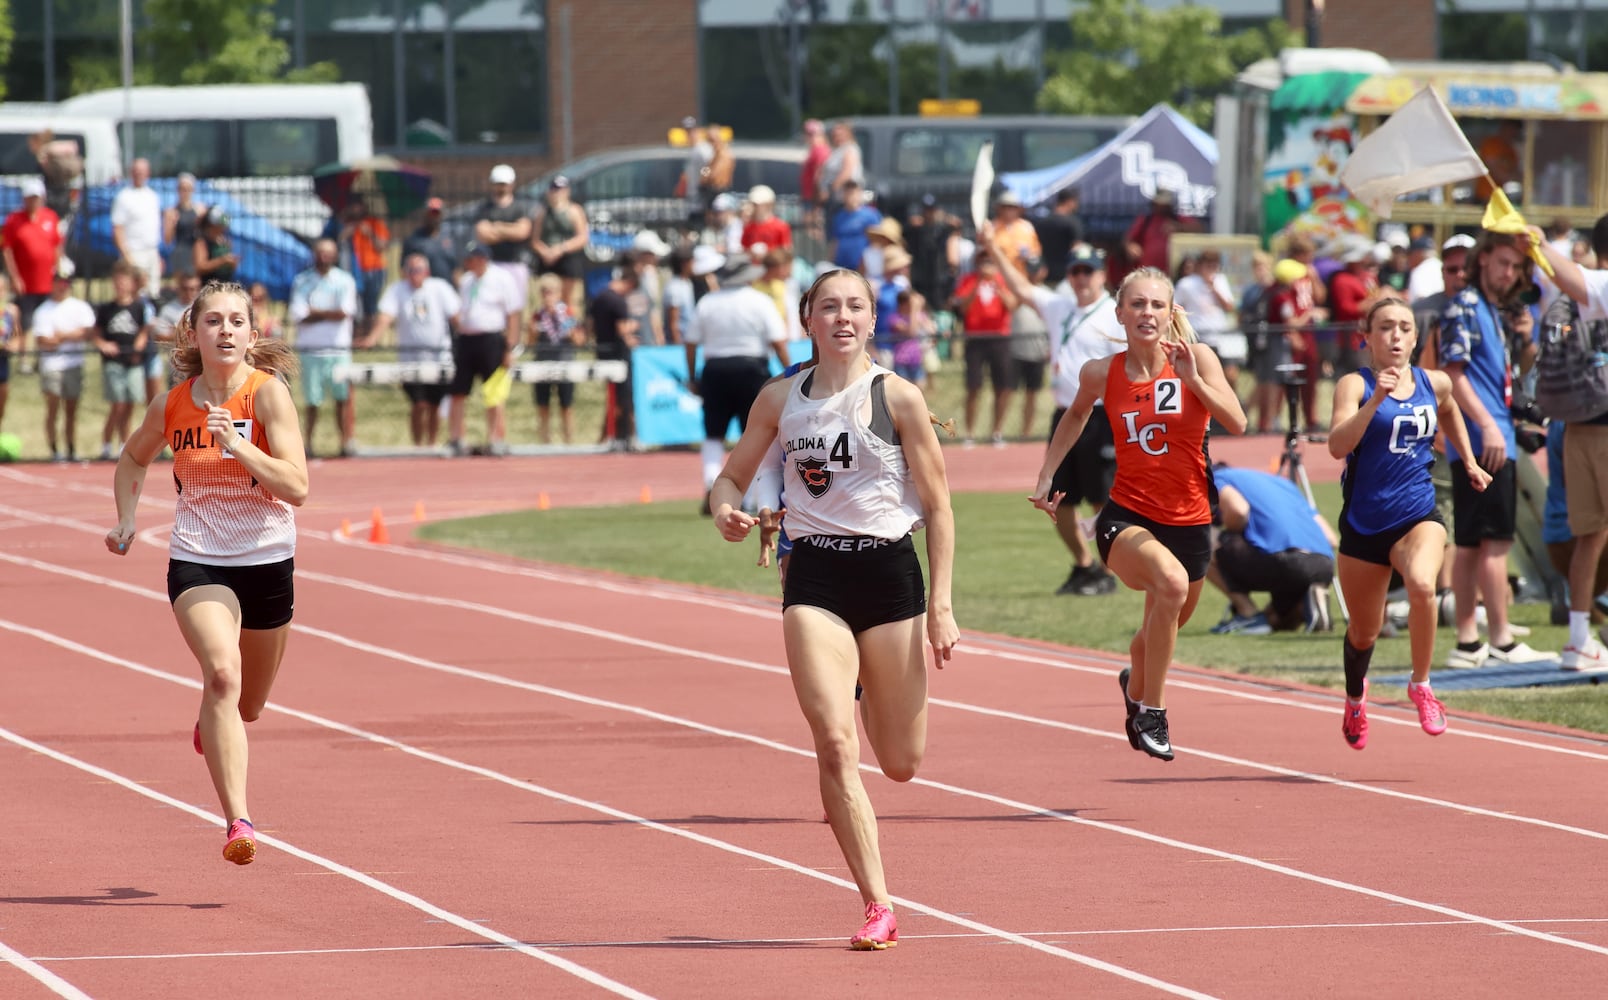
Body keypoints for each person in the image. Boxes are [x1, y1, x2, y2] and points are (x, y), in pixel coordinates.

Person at [708, 267, 957, 950]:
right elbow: (731, 475)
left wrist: (942, 606)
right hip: (813, 574)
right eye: (829, 307)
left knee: (901, 762)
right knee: (835, 743)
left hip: (889, 577)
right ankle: (878, 904)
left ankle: (865, 683)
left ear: (873, 321)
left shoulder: (899, 398)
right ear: (808, 320)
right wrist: (726, 507)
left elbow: (938, 508)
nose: (842, 318)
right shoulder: (779, 398)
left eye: (855, 307)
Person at [104, 280, 308, 865]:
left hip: (267, 559)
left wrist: (238, 447)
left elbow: (298, 487)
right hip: (198, 558)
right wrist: (126, 518)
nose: (225, 330)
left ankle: (216, 726)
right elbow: (132, 458)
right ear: (193, 332)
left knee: (247, 707)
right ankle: (238, 821)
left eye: (236, 322)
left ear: (252, 334)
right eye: (212, 321)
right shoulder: (173, 403)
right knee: (222, 675)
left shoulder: (267, 396)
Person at [1030, 266, 1247, 761]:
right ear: (1120, 312)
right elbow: (1076, 414)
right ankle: (1153, 710)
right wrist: (1046, 478)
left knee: (1157, 634)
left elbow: (1237, 420)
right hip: (1126, 518)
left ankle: (1135, 682)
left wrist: (1194, 380)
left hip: (1191, 521)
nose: (1147, 313)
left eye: (1156, 305)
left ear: (1171, 313)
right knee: (1168, 586)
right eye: (1137, 304)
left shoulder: (1198, 359)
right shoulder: (1101, 371)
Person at [1326, 297, 1490, 748]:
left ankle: (1421, 684)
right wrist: (1376, 397)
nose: (1395, 335)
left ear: (1415, 338)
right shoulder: (1353, 386)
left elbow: (1450, 408)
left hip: (1418, 514)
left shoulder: (1432, 382)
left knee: (1422, 584)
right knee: (1364, 632)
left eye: (1403, 328)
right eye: (1384, 328)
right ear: (1368, 337)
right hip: (1363, 525)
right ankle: (1356, 698)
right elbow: (1337, 446)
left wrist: (1469, 462)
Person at [1438, 231, 1554, 667]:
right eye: (1504, 263)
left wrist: (1523, 339)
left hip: (1488, 436)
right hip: (1486, 440)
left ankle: (1469, 640)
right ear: (1482, 259)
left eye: (1515, 268)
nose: (1509, 274)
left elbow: (1506, 376)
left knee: (1471, 544)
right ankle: (1501, 638)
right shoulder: (1466, 305)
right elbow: (1454, 372)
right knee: (1495, 542)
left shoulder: (1489, 310)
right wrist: (1487, 424)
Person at [1527, 217, 1608, 670]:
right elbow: (1568, 274)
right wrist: (1541, 245)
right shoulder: (1597, 285)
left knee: (1589, 537)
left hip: (1575, 424)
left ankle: (1579, 639)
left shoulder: (1567, 300)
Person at [687, 256, 790, 511]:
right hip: (752, 368)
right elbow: (777, 340)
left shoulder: (707, 302)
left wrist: (692, 376)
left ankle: (712, 485)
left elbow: (690, 341)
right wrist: (791, 372)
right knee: (756, 433)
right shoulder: (760, 301)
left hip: (715, 369)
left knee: (713, 434)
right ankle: (751, 497)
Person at [1207, 465, 1336, 635]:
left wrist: (1232, 537)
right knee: (1274, 620)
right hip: (1324, 565)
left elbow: (1238, 511)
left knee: (1199, 539)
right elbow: (1331, 539)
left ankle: (1248, 614)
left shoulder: (1218, 478)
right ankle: (1307, 601)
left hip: (1286, 562)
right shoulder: (1284, 485)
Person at [371, 252, 460, 448]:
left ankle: (432, 443)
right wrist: (372, 338)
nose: (414, 274)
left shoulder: (439, 288)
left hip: (439, 358)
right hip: (410, 359)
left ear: (426, 272)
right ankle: (418, 445)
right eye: (410, 270)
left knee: (435, 405)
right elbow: (386, 316)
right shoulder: (397, 290)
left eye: (418, 270)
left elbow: (456, 316)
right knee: (419, 404)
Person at [288, 238, 361, 458]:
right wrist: (329, 314)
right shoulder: (303, 281)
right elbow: (298, 315)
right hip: (311, 350)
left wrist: (315, 313)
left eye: (329, 253)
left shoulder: (344, 280)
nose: (324, 257)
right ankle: (308, 443)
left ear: (335, 255)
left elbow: (344, 313)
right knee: (312, 401)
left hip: (338, 350)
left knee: (342, 399)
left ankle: (346, 442)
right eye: (320, 252)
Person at [450, 241, 523, 456]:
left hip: (491, 340)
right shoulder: (466, 281)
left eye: (473, 258)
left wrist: (510, 348)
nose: (469, 262)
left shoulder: (502, 278)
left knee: (493, 391)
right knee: (459, 391)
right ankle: (456, 438)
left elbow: (513, 314)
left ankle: (495, 438)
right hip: (467, 339)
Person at [951, 248, 1017, 446]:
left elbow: (1012, 305)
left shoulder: (1002, 280)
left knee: (1002, 387)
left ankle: (997, 431)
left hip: (999, 337)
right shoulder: (968, 280)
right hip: (975, 338)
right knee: (973, 386)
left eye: (989, 261)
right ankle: (969, 433)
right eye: (982, 261)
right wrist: (978, 283)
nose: (986, 265)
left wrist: (997, 284)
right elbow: (962, 307)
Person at [33, 258, 95, 462]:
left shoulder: (79, 306)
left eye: (65, 281)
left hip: (73, 364)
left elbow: (86, 332)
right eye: (58, 280)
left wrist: (61, 336)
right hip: (52, 365)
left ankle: (71, 448)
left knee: (71, 410)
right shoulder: (43, 310)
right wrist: (68, 336)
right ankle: (54, 450)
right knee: (53, 408)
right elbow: (44, 340)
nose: (62, 285)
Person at [93, 260, 154, 460]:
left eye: (125, 281)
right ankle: (106, 443)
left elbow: (145, 329)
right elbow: (97, 334)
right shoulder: (106, 309)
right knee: (117, 404)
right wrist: (103, 344)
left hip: (133, 362)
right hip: (113, 362)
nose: (121, 285)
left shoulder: (139, 307)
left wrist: (139, 344)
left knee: (129, 404)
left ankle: (124, 443)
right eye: (118, 281)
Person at [3, 177, 64, 336]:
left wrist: (57, 270)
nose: (33, 201)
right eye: (30, 198)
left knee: (47, 318)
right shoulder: (13, 220)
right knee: (26, 322)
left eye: (36, 198)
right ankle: (25, 357)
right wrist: (15, 277)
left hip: (47, 280)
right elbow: (7, 250)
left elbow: (57, 245)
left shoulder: (50, 217)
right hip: (26, 282)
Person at [528, 272, 581, 444]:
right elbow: (530, 344)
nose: (548, 295)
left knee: (566, 406)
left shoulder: (567, 313)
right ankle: (545, 441)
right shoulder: (537, 316)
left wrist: (569, 327)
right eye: (544, 291)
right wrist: (533, 332)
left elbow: (579, 340)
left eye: (551, 291)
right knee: (543, 405)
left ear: (559, 293)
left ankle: (569, 440)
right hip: (543, 363)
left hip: (564, 363)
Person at [474, 164, 534, 313]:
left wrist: (497, 227)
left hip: (515, 263)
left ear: (511, 184)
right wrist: (510, 230)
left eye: (504, 184)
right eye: (498, 184)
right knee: (493, 306)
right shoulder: (485, 208)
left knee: (516, 308)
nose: (501, 187)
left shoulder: (520, 207)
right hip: (491, 264)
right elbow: (482, 234)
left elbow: (522, 232)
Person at [530, 176, 589, 312]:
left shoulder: (574, 211)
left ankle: (568, 329)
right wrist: (545, 252)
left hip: (568, 259)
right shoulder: (542, 213)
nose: (557, 193)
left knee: (567, 300)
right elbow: (535, 240)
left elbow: (582, 237)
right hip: (547, 260)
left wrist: (561, 249)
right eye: (554, 189)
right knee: (546, 298)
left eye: (561, 189)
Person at [112, 158, 163, 299]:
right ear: (131, 173)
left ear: (148, 173)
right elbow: (117, 228)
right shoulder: (124, 196)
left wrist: (157, 254)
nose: (139, 174)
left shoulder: (152, 196)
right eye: (136, 171)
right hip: (134, 252)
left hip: (151, 251)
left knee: (153, 292)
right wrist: (127, 256)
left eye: (142, 171)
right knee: (137, 293)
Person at [150, 274, 202, 402]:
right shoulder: (168, 310)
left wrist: (178, 331)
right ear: (179, 288)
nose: (190, 292)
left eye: (194, 288)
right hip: (178, 368)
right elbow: (159, 335)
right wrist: (187, 332)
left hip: (202, 366)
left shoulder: (203, 309)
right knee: (177, 405)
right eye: (186, 288)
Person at [163, 172, 206, 283]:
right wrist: (172, 224)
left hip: (197, 252)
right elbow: (167, 240)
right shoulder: (171, 212)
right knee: (182, 284)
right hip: (181, 252)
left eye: (187, 189)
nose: (184, 192)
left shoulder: (200, 210)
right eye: (182, 189)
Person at [1033, 187, 1084, 281]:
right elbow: (1077, 249)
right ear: (1069, 201)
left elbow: (1035, 247)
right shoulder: (1073, 223)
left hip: (1043, 273)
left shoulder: (1042, 222)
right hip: (1065, 276)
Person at [403, 197, 458, 282]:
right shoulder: (415, 240)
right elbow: (405, 269)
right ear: (425, 215)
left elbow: (455, 267)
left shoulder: (449, 236)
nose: (433, 217)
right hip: (425, 289)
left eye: (436, 213)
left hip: (446, 289)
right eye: (431, 213)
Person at [193, 209, 238, 284]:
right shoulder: (202, 242)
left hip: (225, 283)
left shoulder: (225, 243)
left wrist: (232, 263)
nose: (223, 228)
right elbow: (200, 267)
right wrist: (222, 260)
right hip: (208, 285)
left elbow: (231, 269)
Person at [0, 274, 20, 438]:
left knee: (2, 401)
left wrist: (13, 344)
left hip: (3, 359)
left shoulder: (11, 311)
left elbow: (17, 335)